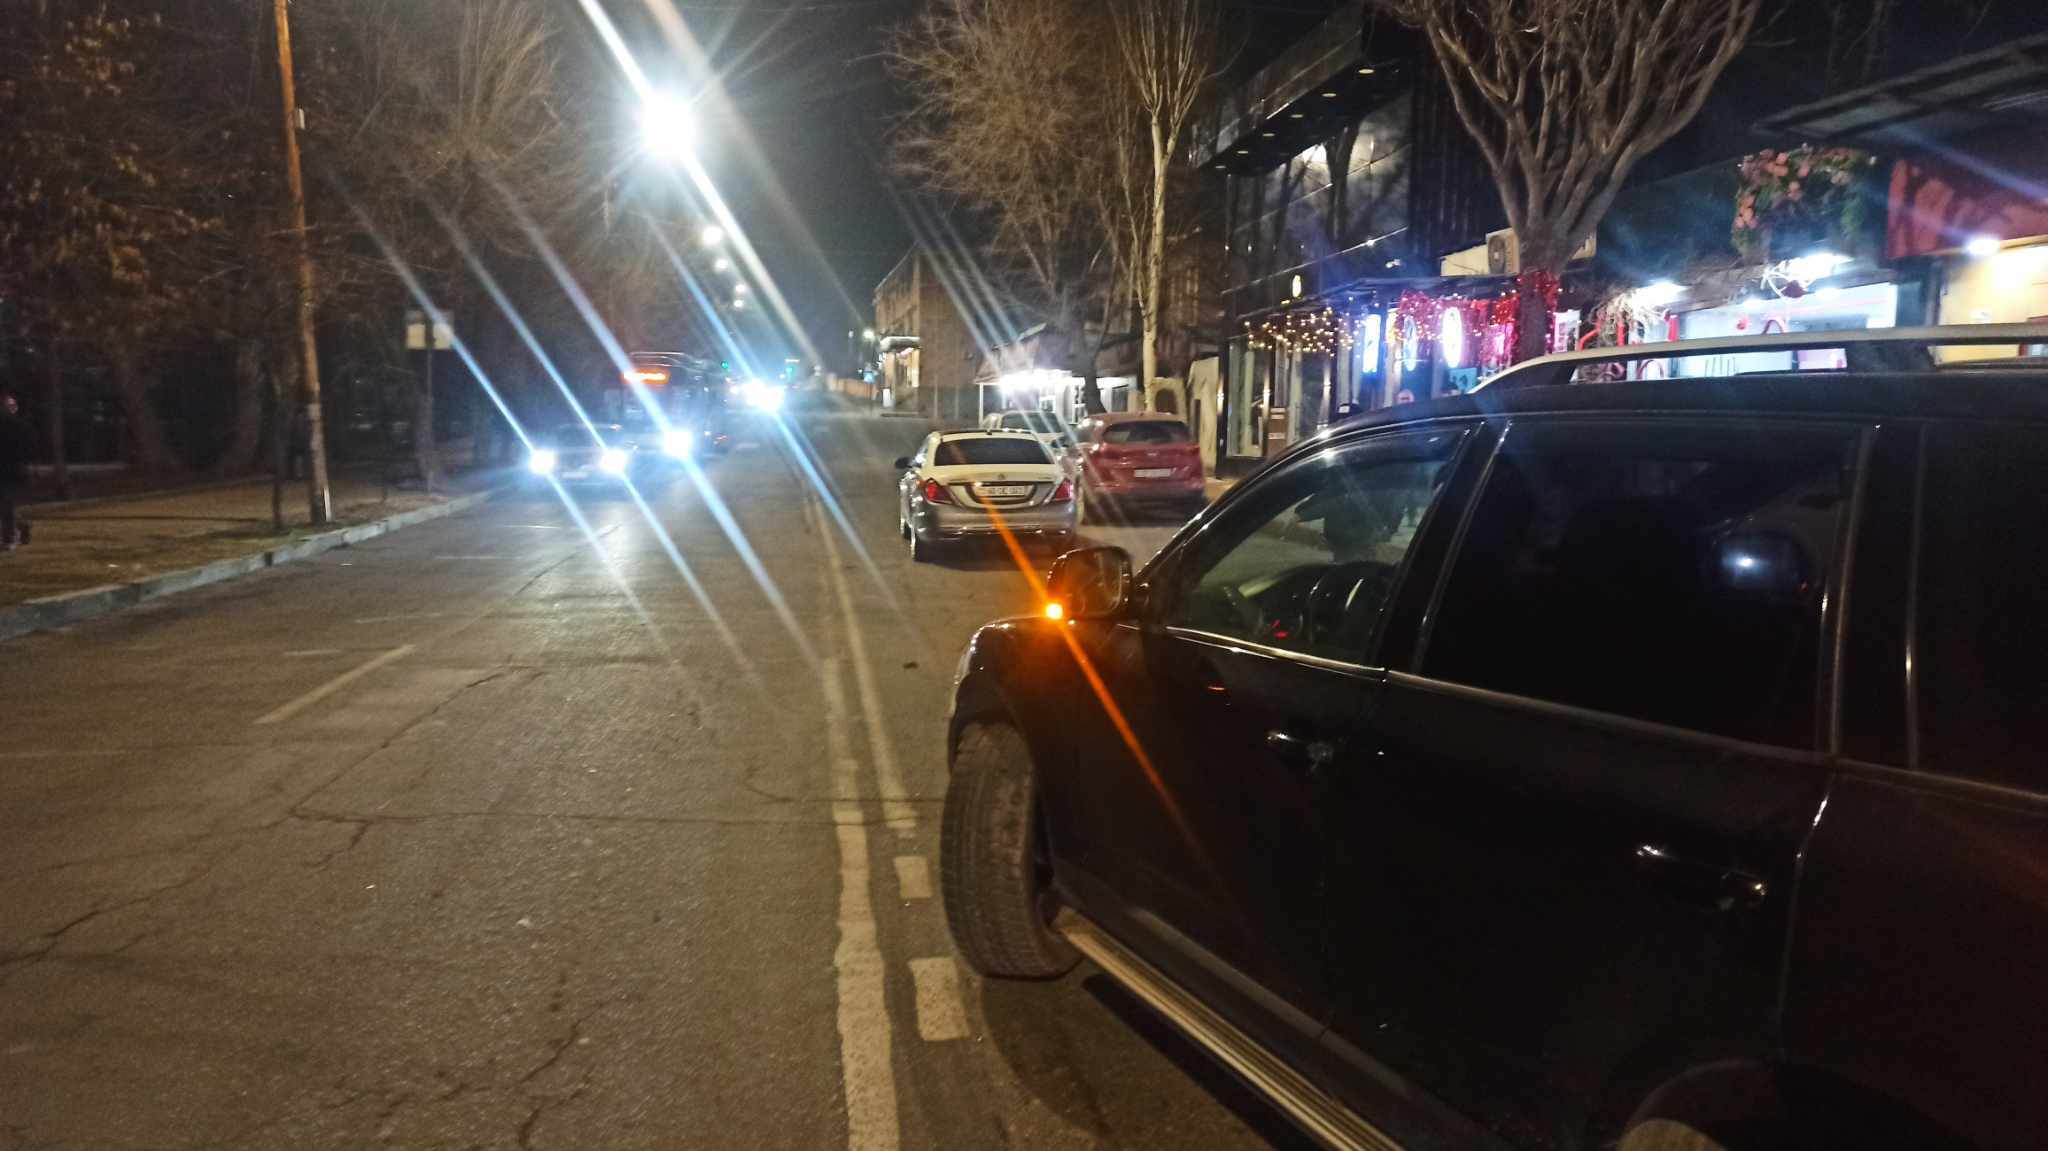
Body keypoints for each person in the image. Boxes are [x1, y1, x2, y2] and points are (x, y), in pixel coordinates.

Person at [0, 391, 35, 551]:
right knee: (6, 506)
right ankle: (23, 525)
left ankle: (9, 539)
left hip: (14, 471)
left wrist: (26, 465)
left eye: (12, 406)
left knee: (7, 505)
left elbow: (30, 449)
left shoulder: (21, 426)